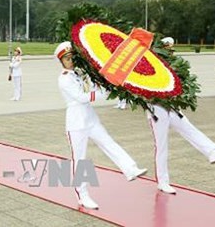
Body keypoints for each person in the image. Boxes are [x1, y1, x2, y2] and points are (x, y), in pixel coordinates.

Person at [55, 41, 147, 210]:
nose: (70, 60)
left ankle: (130, 168)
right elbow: (82, 97)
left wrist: (103, 80)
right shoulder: (64, 79)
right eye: (66, 58)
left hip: (90, 118)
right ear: (61, 61)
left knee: (108, 142)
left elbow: (91, 85)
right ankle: (82, 196)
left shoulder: (79, 73)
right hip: (76, 122)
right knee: (80, 159)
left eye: (72, 57)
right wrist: (105, 92)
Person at [146, 37, 215, 194]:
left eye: (172, 49)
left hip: (171, 107)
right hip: (156, 109)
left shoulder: (173, 64)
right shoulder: (151, 64)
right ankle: (162, 182)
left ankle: (212, 152)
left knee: (189, 129)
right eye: (168, 49)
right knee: (161, 146)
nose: (171, 51)